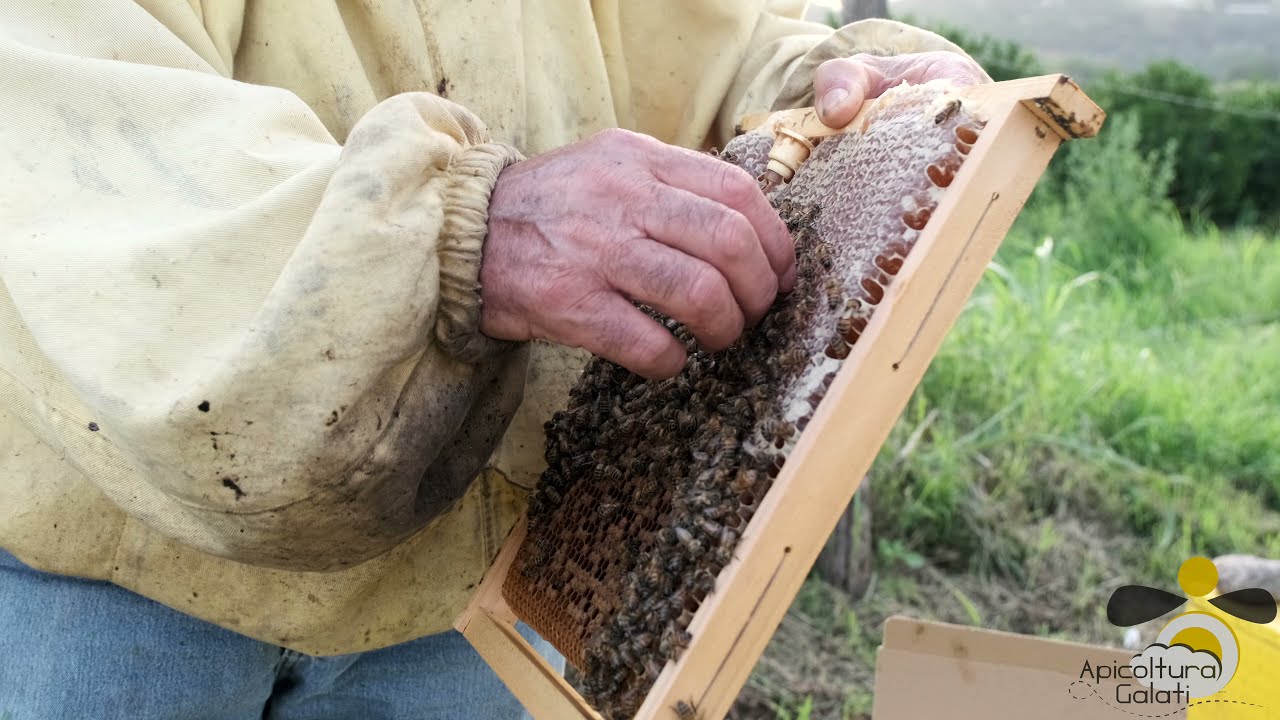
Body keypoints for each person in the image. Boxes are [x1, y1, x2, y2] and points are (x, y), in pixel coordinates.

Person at [0, 1, 988, 717]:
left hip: (478, 594)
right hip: (122, 580)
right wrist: (454, 229)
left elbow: (705, 37)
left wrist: (826, 87)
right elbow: (62, 121)